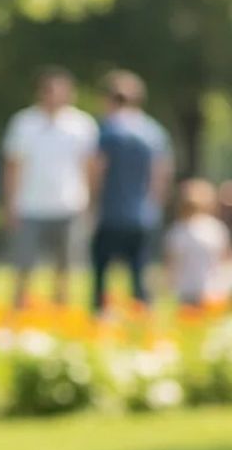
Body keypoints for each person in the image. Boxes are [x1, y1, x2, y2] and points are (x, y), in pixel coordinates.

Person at [1, 67, 99, 308]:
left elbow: (89, 167)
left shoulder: (82, 124)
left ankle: (60, 311)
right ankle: (19, 310)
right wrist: (10, 203)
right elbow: (13, 167)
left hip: (69, 204)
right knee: (23, 265)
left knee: (65, 267)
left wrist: (90, 202)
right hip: (30, 205)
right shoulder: (24, 123)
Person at [89, 69, 173, 313]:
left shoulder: (106, 131)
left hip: (109, 212)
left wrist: (91, 204)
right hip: (142, 213)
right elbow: (161, 173)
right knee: (139, 271)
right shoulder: (153, 131)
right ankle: (142, 315)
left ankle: (101, 316)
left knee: (101, 273)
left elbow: (97, 171)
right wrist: (155, 204)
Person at [163, 178, 231, 307]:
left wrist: (170, 286)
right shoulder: (216, 229)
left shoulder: (176, 231)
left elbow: (170, 266)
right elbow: (225, 260)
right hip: (213, 291)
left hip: (185, 291)